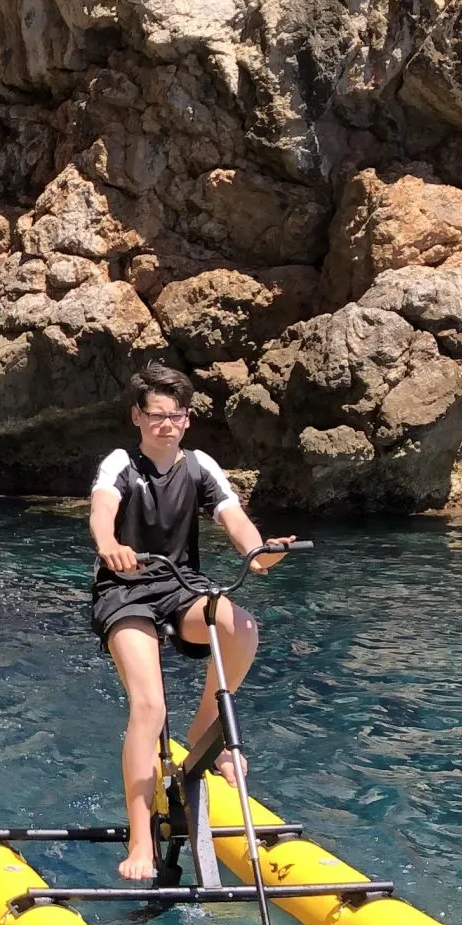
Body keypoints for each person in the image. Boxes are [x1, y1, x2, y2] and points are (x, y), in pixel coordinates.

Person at [88, 363, 294, 881]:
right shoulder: (120, 462)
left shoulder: (201, 465)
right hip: (125, 588)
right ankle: (140, 840)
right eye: (156, 415)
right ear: (138, 416)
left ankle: (206, 741)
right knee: (149, 705)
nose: (166, 424)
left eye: (175, 416)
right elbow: (101, 511)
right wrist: (110, 547)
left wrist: (260, 552)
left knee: (241, 627)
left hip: (181, 587)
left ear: (187, 419)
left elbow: (236, 520)